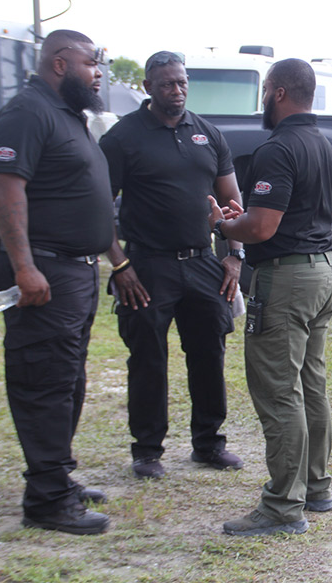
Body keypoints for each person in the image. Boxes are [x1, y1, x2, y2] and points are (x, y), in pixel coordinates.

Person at [207, 58, 332, 536]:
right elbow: (293, 212)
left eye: (266, 90)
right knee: (310, 383)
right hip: (326, 270)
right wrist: (245, 215)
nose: (264, 98)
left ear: (280, 92)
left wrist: (224, 225)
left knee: (277, 389)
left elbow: (263, 227)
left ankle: (284, 506)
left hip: (288, 279)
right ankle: (316, 487)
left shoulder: (278, 148)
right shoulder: (325, 146)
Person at [0, 30, 113, 535]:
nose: (98, 71)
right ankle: (47, 500)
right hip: (45, 269)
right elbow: (5, 187)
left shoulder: (66, 115)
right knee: (43, 381)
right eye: (91, 62)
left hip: (74, 270)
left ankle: (57, 477)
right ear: (60, 64)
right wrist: (24, 266)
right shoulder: (27, 112)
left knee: (67, 380)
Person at [99, 51, 244, 480]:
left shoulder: (208, 134)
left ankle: (209, 444)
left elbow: (233, 205)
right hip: (146, 267)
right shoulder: (122, 138)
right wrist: (120, 265)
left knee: (208, 354)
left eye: (181, 82)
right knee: (147, 358)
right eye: (166, 84)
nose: (176, 90)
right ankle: (147, 451)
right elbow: (97, 208)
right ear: (148, 87)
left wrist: (234, 255)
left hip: (202, 264)